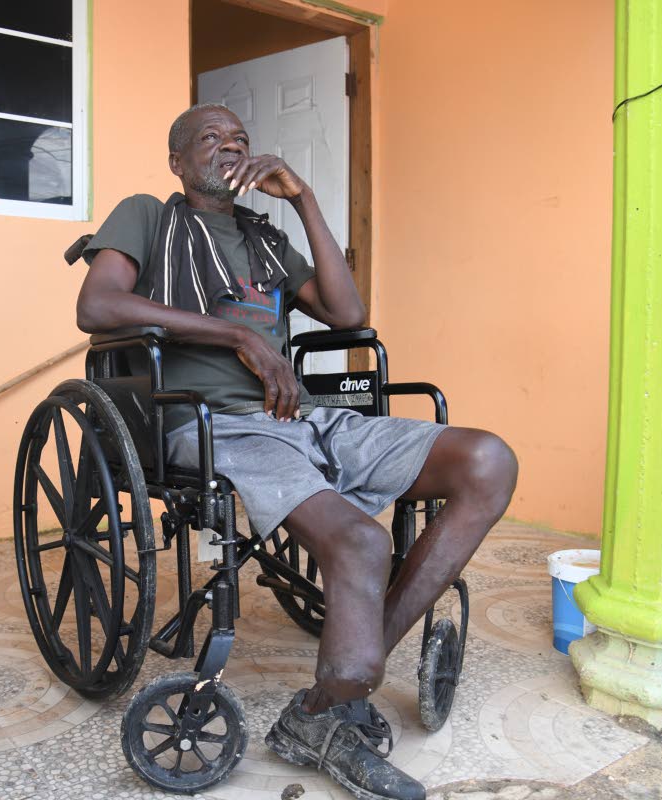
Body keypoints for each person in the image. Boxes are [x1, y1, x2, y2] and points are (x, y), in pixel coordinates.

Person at [76, 103, 518, 800]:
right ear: (178, 162)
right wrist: (239, 337)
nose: (229, 147)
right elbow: (97, 306)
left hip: (301, 415)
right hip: (211, 424)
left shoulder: (265, 237)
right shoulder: (147, 217)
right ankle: (335, 705)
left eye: (240, 139)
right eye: (210, 138)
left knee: (488, 460)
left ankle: (338, 687)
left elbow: (348, 315)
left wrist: (303, 197)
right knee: (363, 543)